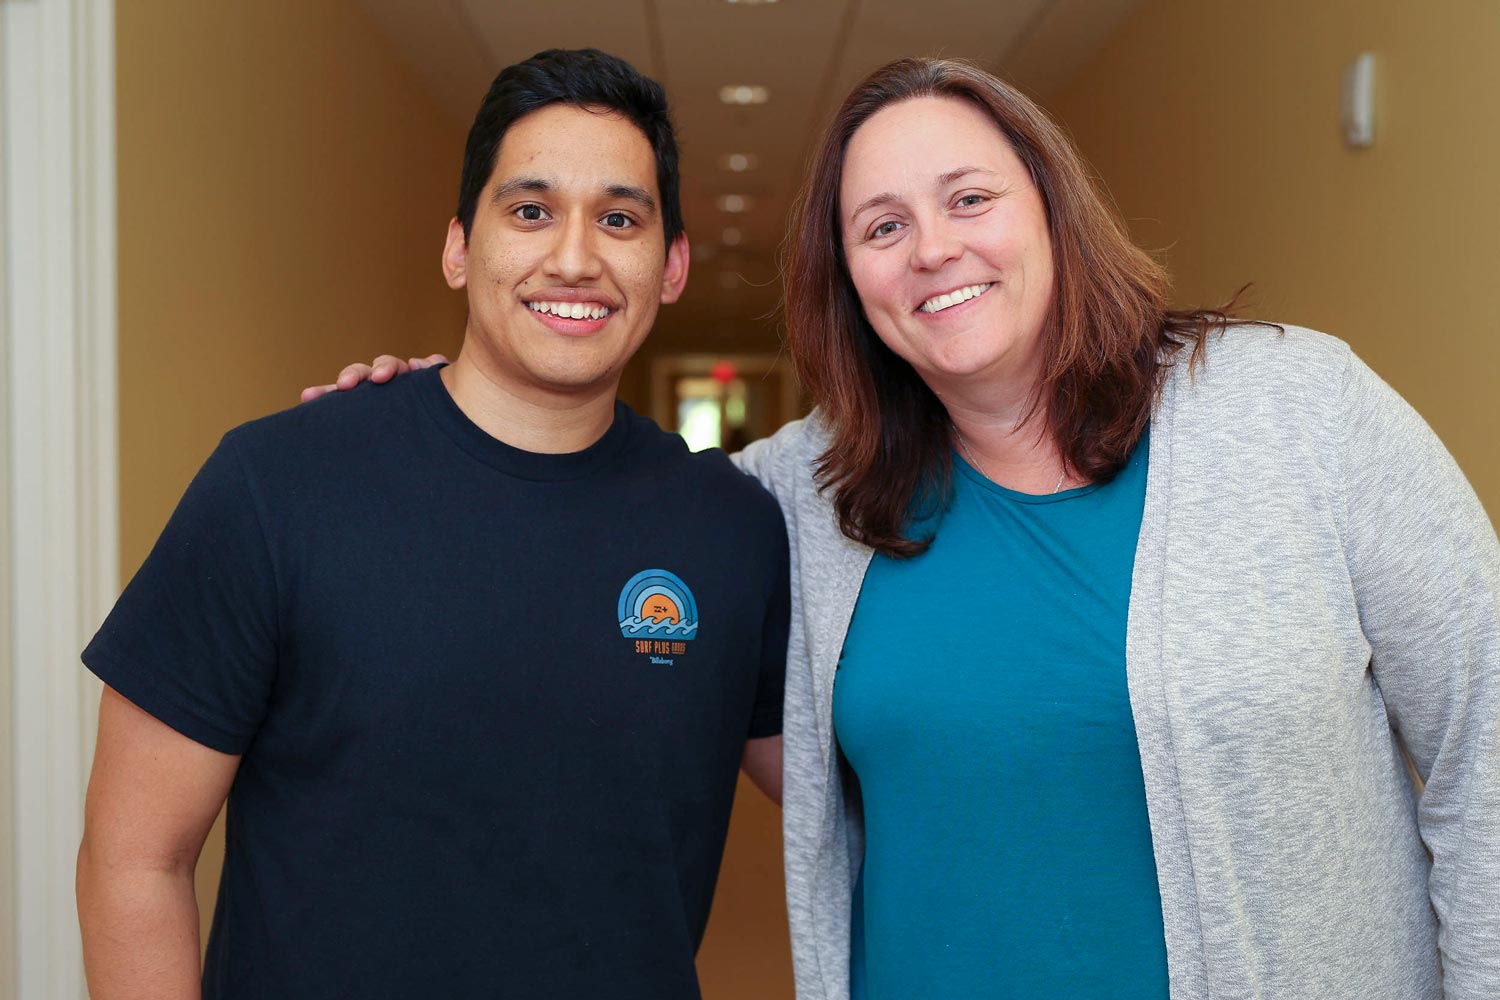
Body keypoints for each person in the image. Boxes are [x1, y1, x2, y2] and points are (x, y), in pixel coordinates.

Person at [317, 57, 1500, 1000]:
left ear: (1052, 211)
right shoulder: (797, 497)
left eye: (970, 198)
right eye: (881, 227)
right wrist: (458, 407)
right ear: (852, 283)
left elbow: (1484, 741)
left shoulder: (1292, 408)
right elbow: (596, 509)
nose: (933, 248)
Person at [76, 49, 789, 1000]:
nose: (574, 257)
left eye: (620, 218)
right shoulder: (278, 485)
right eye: (529, 210)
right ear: (459, 247)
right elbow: (133, 861)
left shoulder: (732, 529)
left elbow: (879, 788)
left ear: (672, 266)